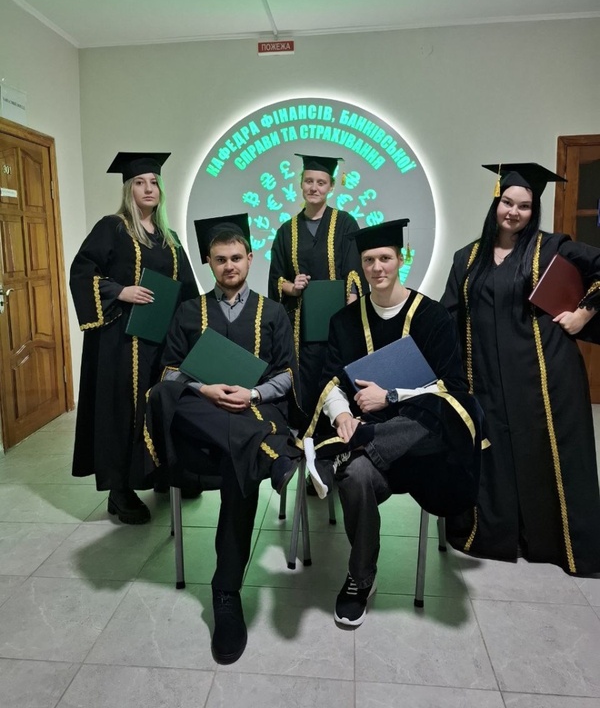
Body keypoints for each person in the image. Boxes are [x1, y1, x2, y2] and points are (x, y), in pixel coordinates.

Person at [304, 218, 483, 627]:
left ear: (401, 259)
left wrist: (391, 397)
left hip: (423, 450)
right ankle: (361, 577)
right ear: (361, 266)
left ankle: (354, 443)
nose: (377, 267)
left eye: (385, 258)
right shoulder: (344, 321)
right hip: (371, 452)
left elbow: (453, 387)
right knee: (355, 475)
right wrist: (343, 414)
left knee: (446, 411)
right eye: (369, 260)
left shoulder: (433, 316)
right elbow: (331, 381)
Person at [144, 213, 301, 665]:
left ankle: (225, 592)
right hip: (202, 419)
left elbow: (288, 374)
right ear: (209, 263)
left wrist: (252, 393)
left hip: (254, 409)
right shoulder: (188, 311)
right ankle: (272, 451)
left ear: (250, 258)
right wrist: (204, 389)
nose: (229, 266)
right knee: (166, 395)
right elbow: (170, 370)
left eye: (236, 258)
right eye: (220, 259)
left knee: (239, 458)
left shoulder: (273, 312)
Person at [442, 162, 600, 576]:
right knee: (493, 451)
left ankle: (552, 541)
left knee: (545, 454)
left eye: (524, 206)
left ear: (534, 211)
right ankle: (496, 535)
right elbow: (449, 316)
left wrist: (583, 314)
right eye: (507, 202)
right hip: (486, 377)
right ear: (496, 202)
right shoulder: (467, 257)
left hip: (544, 377)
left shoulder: (553, 248)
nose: (513, 212)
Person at [69, 152, 198, 524]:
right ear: (129, 189)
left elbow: (186, 289)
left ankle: (161, 474)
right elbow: (82, 272)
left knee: (160, 404)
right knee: (124, 410)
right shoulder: (113, 227)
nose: (148, 189)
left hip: (161, 340)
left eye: (153, 182)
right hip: (121, 342)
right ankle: (120, 490)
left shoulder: (170, 238)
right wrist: (119, 291)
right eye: (140, 183)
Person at [268, 153, 368, 430]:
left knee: (337, 373)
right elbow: (276, 278)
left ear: (331, 186)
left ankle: (340, 433)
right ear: (301, 183)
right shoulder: (286, 231)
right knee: (307, 377)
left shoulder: (345, 223)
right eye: (309, 181)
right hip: (302, 327)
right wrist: (293, 287)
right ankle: (305, 438)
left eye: (321, 182)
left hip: (339, 321)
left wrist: (351, 304)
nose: (314, 187)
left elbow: (354, 271)